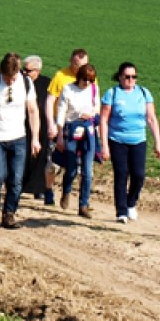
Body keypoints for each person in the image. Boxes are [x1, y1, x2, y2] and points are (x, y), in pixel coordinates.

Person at [0, 52, 41, 229]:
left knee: (16, 179)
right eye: (7, 77)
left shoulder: (27, 83)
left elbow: (33, 111)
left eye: (13, 77)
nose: (10, 81)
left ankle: (9, 214)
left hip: (18, 138)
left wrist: (35, 138)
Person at [99, 61, 160, 224]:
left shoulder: (143, 93)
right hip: (117, 139)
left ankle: (131, 202)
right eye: (127, 77)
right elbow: (104, 120)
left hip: (138, 139)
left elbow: (151, 118)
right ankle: (121, 211)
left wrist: (158, 142)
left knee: (138, 175)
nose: (130, 80)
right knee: (121, 174)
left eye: (134, 77)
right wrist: (104, 145)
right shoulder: (112, 94)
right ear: (120, 77)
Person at [53, 64, 101, 217]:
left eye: (90, 80)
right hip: (71, 131)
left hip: (88, 131)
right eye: (84, 79)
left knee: (87, 171)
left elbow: (96, 108)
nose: (87, 83)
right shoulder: (68, 89)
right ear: (78, 77)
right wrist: (59, 135)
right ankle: (66, 190)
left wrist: (91, 116)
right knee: (72, 168)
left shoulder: (93, 89)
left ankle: (84, 205)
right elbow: (61, 112)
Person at [44, 49, 90, 205]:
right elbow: (50, 101)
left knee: (74, 166)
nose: (80, 69)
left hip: (81, 130)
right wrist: (51, 124)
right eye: (77, 65)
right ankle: (48, 190)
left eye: (83, 65)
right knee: (53, 165)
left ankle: (68, 193)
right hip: (61, 127)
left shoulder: (90, 78)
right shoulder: (61, 76)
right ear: (71, 61)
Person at [20, 55, 52, 201]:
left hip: (42, 126)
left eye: (28, 71)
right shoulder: (19, 82)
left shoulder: (47, 83)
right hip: (21, 124)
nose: (25, 73)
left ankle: (38, 188)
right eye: (23, 70)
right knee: (22, 157)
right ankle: (19, 185)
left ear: (37, 71)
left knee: (40, 158)